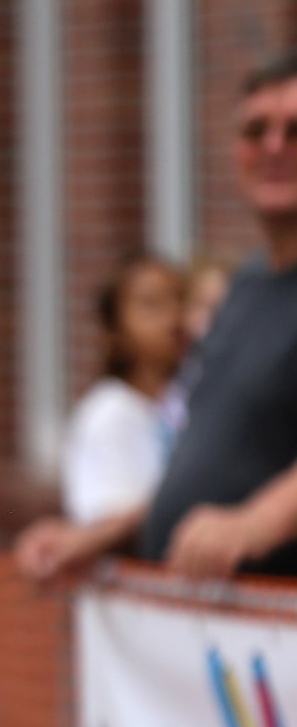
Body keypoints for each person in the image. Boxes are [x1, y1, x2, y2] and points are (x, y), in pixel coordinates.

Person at [16, 48, 297, 586]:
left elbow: (242, 513)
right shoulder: (244, 288)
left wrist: (256, 524)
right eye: (255, 130)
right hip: (205, 620)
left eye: (295, 130)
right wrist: (100, 536)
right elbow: (211, 465)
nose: (274, 147)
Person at [60, 254, 186, 523]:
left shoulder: (187, 398)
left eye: (180, 299)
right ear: (116, 329)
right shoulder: (108, 413)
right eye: (152, 304)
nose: (174, 317)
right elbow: (105, 519)